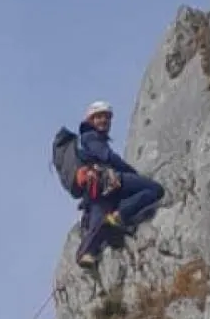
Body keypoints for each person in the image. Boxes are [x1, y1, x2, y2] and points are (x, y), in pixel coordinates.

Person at [67, 101, 162, 269]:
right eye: (99, 117)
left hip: (97, 188)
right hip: (107, 180)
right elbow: (108, 157)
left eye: (107, 117)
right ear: (91, 120)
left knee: (100, 219)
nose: (104, 120)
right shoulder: (90, 137)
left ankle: (86, 251)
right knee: (154, 189)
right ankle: (119, 215)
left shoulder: (86, 140)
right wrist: (132, 173)